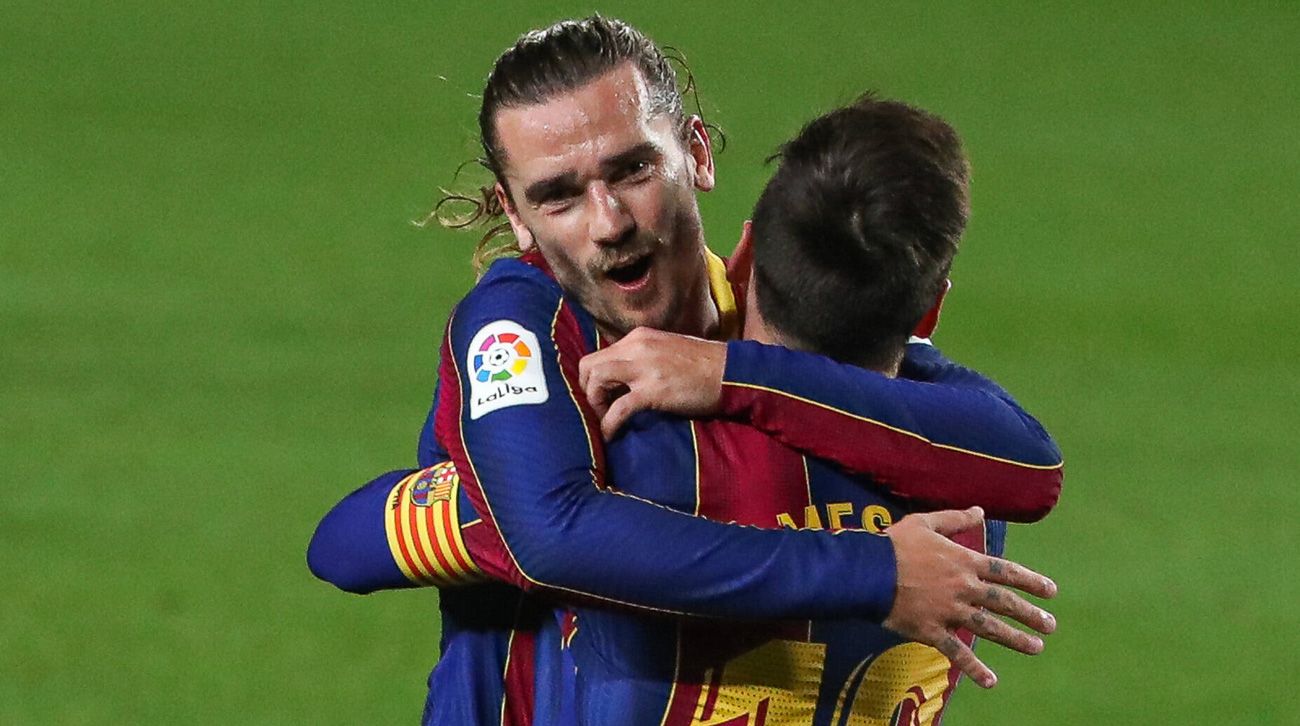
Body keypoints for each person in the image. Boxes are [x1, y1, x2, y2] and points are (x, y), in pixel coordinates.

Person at [306, 16, 1062, 725]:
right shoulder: (521, 322)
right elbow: (1023, 462)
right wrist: (874, 571)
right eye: (559, 196)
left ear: (696, 154)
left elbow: (363, 540)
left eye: (632, 168)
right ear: (515, 216)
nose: (609, 224)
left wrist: (729, 373)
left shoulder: (658, 436)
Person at [570, 93, 1029, 725]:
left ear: (746, 254)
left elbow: (499, 526)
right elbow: (1020, 447)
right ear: (929, 313)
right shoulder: (973, 491)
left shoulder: (643, 456)